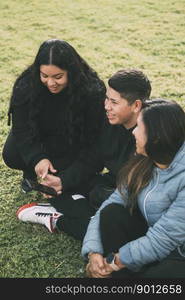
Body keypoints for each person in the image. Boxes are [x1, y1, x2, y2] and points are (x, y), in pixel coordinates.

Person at [16, 69, 152, 240]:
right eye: (106, 99)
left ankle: (59, 219)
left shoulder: (155, 130)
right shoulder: (108, 119)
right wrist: (63, 182)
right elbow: (93, 157)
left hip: (138, 199)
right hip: (112, 183)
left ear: (136, 105)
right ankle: (85, 212)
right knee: (70, 185)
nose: (106, 106)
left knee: (112, 230)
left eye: (114, 102)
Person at [81, 99, 185, 278]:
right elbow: (111, 203)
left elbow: (165, 237)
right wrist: (93, 252)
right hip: (152, 239)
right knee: (112, 213)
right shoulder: (144, 160)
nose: (134, 132)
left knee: (163, 276)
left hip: (179, 252)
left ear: (156, 137)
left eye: (138, 127)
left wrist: (115, 262)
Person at [2, 39, 106, 192]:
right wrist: (37, 158)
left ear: (72, 71)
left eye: (58, 77)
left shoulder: (92, 91)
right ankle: (30, 171)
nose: (51, 83)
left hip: (73, 141)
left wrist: (68, 177)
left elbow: (94, 140)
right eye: (44, 76)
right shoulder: (26, 84)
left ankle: (64, 177)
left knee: (70, 173)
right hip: (41, 135)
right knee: (12, 153)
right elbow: (22, 128)